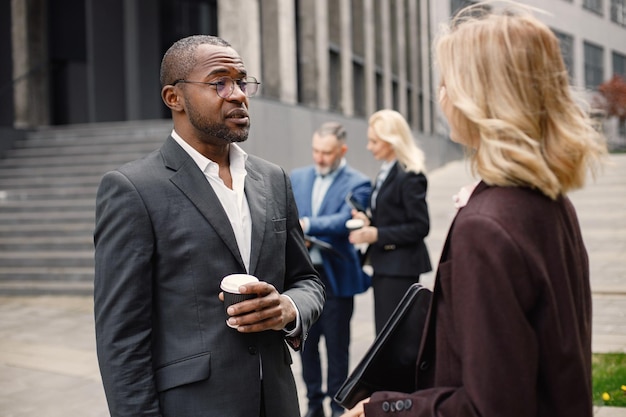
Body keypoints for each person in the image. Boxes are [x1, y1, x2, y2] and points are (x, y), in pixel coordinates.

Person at [342, 2, 607, 416]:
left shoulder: (487, 225)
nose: (441, 95)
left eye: (447, 82)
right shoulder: (549, 202)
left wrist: (382, 409)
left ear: (478, 98)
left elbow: (491, 406)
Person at [93, 35, 326, 417]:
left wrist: (288, 308)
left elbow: (308, 281)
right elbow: (121, 339)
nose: (237, 95)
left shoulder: (273, 179)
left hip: (278, 402)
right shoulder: (133, 189)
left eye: (242, 81)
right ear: (174, 98)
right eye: (219, 82)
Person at [290, 122, 372, 417]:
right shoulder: (296, 177)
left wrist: (308, 225)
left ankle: (339, 409)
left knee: (338, 349)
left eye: (326, 152)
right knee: (306, 348)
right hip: (302, 278)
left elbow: (344, 222)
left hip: (335, 279)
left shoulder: (359, 182)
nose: (319, 158)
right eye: (316, 151)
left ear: (342, 150)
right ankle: (313, 406)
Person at [348, 109, 432, 334]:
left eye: (374, 141)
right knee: (386, 336)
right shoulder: (387, 170)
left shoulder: (410, 174)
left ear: (391, 141)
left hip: (401, 267)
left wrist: (377, 234)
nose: (369, 146)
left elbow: (420, 226)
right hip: (385, 264)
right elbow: (391, 215)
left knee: (395, 337)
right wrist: (369, 220)